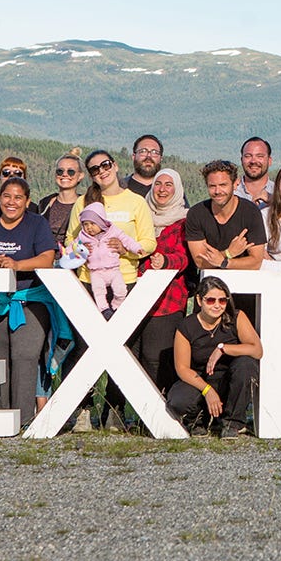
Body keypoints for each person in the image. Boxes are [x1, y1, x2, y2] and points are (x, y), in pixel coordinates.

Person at [63, 149, 157, 430]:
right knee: (84, 347)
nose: (101, 171)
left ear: (115, 166)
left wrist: (126, 250)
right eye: (94, 169)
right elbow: (69, 241)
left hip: (124, 281)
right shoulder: (83, 202)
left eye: (105, 165)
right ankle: (83, 410)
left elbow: (148, 242)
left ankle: (114, 409)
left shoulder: (136, 202)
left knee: (126, 348)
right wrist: (81, 250)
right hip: (88, 280)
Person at [0, 178, 59, 426]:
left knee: (25, 356)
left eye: (18, 197)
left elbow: (47, 258)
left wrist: (17, 265)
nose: (12, 202)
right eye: (7, 196)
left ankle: (24, 418)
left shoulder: (37, 223)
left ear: (27, 201)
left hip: (30, 299)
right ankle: (1, 417)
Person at [167, 277, 263, 438]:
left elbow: (257, 350)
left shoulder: (236, 317)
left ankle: (233, 423)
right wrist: (207, 390)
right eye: (211, 300)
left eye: (222, 300)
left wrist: (223, 349)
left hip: (230, 380)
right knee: (178, 400)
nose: (217, 305)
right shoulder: (187, 326)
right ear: (199, 300)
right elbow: (182, 368)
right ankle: (197, 421)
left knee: (246, 364)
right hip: (201, 381)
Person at [140, 168, 191, 393]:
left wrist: (166, 261)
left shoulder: (184, 221)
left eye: (168, 185)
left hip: (169, 299)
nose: (162, 189)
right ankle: (119, 408)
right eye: (158, 184)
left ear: (177, 189)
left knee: (157, 357)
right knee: (132, 354)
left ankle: (161, 405)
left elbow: (186, 257)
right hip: (135, 295)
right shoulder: (141, 215)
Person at [77, 202, 146, 314]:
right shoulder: (83, 236)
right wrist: (72, 252)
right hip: (96, 271)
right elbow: (73, 247)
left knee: (121, 290)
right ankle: (104, 309)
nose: (89, 227)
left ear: (101, 222)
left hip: (113, 269)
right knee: (98, 292)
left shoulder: (114, 232)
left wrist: (137, 248)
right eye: (85, 224)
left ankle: (116, 305)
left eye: (92, 223)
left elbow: (127, 240)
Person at [36, 149, 84, 247]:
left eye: (71, 172)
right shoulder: (44, 204)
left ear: (80, 176)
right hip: (45, 255)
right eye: (60, 171)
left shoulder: (86, 204)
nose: (64, 174)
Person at [236, 136, 274, 207]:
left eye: (260, 156)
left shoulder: (279, 193)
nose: (253, 161)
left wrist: (276, 202)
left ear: (269, 161)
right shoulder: (232, 193)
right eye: (248, 156)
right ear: (241, 160)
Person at [125, 134, 165, 199]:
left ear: (161, 158)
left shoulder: (169, 192)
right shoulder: (119, 189)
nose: (149, 156)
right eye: (143, 151)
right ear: (133, 156)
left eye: (154, 152)